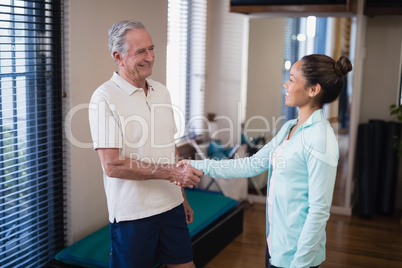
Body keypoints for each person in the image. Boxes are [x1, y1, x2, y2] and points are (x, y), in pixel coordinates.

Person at [178, 54, 353, 268]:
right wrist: (196, 165)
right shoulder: (290, 127)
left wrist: (300, 263)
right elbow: (250, 165)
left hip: (297, 256)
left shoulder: (320, 139)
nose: (285, 84)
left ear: (313, 89)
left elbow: (318, 210)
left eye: (292, 79)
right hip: (276, 244)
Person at [88, 20, 203, 268]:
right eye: (141, 51)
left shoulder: (162, 91)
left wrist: (180, 194)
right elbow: (113, 165)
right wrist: (171, 173)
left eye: (151, 49)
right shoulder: (104, 97)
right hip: (134, 214)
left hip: (170, 205)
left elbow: (168, 146)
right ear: (118, 56)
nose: (150, 57)